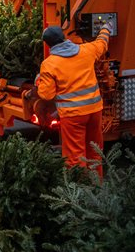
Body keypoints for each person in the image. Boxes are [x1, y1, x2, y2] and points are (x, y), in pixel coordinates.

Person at [34, 22, 113, 178]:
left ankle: (79, 195)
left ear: (48, 45)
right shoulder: (87, 50)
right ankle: (97, 189)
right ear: (64, 37)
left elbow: (46, 95)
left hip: (73, 116)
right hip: (95, 110)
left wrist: (39, 80)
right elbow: (102, 43)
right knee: (95, 151)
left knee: (75, 156)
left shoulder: (49, 64)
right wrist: (106, 28)